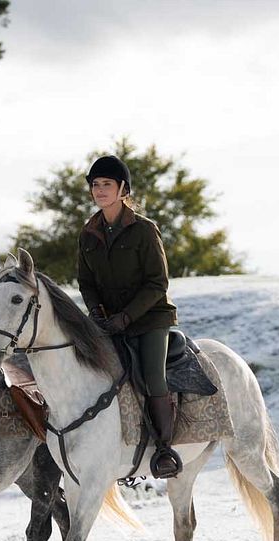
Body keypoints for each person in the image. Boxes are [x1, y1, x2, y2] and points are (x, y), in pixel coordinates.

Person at [76, 155, 182, 478]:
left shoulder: (145, 231)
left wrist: (126, 317)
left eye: (107, 184)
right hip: (108, 321)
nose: (100, 190)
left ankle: (164, 449)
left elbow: (157, 283)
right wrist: (96, 312)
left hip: (150, 320)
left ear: (123, 189)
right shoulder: (88, 233)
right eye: (95, 185)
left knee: (152, 376)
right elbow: (85, 282)